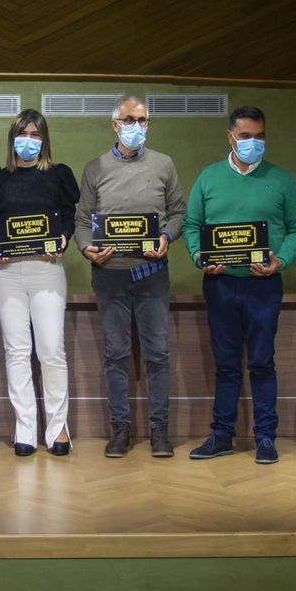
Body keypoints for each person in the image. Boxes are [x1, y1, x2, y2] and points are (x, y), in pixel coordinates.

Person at [183, 106, 296, 465]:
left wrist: (279, 261)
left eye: (260, 136)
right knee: (225, 365)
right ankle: (221, 435)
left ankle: (266, 437)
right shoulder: (208, 178)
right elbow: (192, 226)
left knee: (261, 363)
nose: (254, 142)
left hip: (263, 287)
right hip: (220, 285)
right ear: (230, 137)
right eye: (246, 136)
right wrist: (200, 257)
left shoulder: (281, 179)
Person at [75, 95, 187, 458]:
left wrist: (167, 236)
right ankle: (120, 430)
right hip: (109, 275)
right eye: (129, 119)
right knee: (116, 354)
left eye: (143, 120)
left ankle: (159, 431)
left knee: (157, 354)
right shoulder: (94, 168)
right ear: (114, 124)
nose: (136, 126)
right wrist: (87, 247)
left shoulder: (164, 164)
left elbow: (178, 212)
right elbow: (81, 220)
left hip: (152, 273)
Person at [0, 110, 81, 457]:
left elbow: (69, 216)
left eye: (36, 134)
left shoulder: (58, 175)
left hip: (47, 270)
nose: (29, 140)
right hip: (6, 274)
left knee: (51, 351)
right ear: (12, 139)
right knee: (17, 352)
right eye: (23, 134)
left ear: (45, 140)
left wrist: (64, 238)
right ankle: (25, 427)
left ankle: (58, 429)